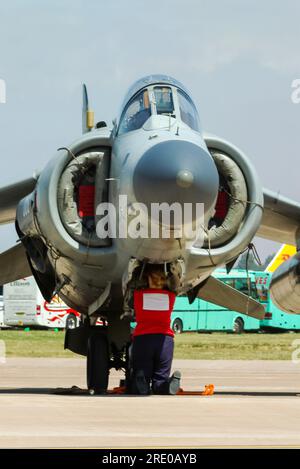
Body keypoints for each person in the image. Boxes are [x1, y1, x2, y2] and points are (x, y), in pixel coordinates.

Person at [130, 266, 181, 395]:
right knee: (160, 380)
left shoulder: (139, 295)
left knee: (141, 374)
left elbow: (133, 282)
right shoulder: (170, 296)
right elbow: (176, 287)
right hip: (165, 341)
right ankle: (166, 385)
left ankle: (141, 382)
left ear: (147, 281)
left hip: (143, 339)